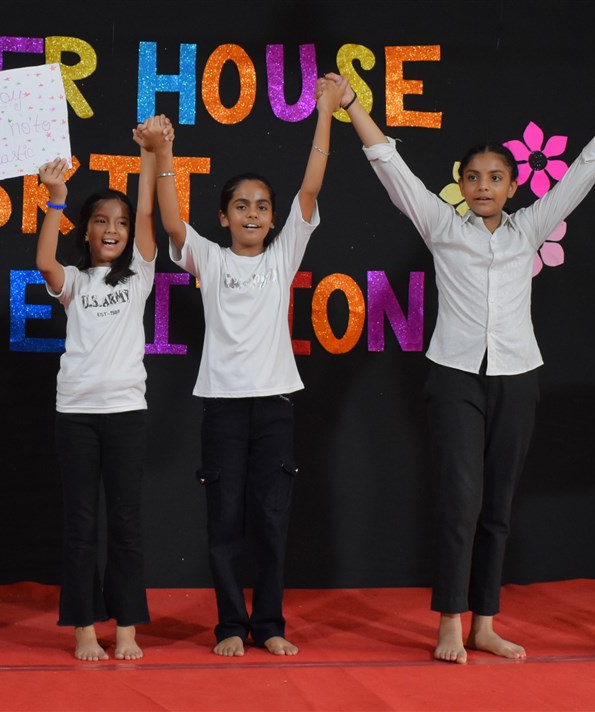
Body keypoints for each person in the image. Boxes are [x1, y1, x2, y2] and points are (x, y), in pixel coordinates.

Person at [338, 75, 595, 663]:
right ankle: (450, 621)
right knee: (460, 500)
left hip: (518, 376)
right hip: (454, 375)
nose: (483, 186)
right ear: (460, 184)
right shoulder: (442, 225)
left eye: (495, 177)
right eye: (473, 177)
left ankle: (485, 624)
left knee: (498, 505)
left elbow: (588, 164)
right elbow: (390, 164)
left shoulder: (530, 228)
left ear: (514, 185)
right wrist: (350, 104)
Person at [142, 75, 342, 657]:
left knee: (272, 520)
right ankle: (231, 624)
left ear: (275, 219)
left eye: (261, 207)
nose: (252, 215)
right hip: (222, 409)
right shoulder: (208, 257)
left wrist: (325, 112)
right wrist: (165, 152)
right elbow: (172, 223)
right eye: (240, 207)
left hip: (275, 406)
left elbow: (311, 187)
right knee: (225, 519)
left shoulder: (283, 257)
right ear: (224, 217)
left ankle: (270, 624)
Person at [33, 117, 163, 661]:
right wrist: (56, 199)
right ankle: (84, 626)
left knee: (126, 524)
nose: (113, 230)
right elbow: (44, 260)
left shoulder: (139, 276)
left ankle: (127, 627)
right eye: (102, 222)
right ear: (86, 231)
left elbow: (149, 212)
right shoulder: (76, 281)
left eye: (121, 223)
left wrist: (150, 154)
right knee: (81, 524)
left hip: (126, 412)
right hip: (77, 415)